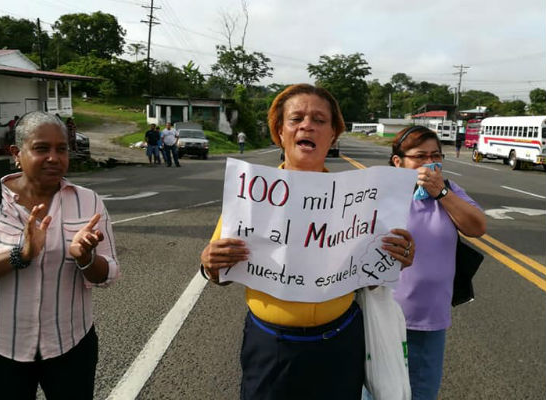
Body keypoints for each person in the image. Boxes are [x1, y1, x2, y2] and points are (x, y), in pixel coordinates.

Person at [199, 84, 415, 400]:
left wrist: (395, 258)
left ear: (333, 135)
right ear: (280, 132)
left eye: (319, 119)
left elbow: (370, 278)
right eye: (296, 118)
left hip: (340, 346)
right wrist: (209, 263)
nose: (307, 125)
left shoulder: (363, 198)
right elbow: (217, 272)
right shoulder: (251, 195)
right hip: (271, 346)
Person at [0, 111, 120, 400]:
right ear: (16, 153)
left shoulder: (88, 201)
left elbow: (109, 273)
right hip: (0, 348)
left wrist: (86, 258)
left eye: (61, 149)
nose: (54, 157)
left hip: (71, 346)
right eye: (41, 148)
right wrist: (19, 255)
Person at [388, 125, 486, 400]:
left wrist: (441, 194)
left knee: (421, 392)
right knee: (376, 391)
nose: (430, 163)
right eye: (420, 156)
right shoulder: (381, 194)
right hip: (383, 316)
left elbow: (477, 227)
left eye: (436, 156)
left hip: (429, 319)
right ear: (399, 162)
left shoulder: (449, 191)